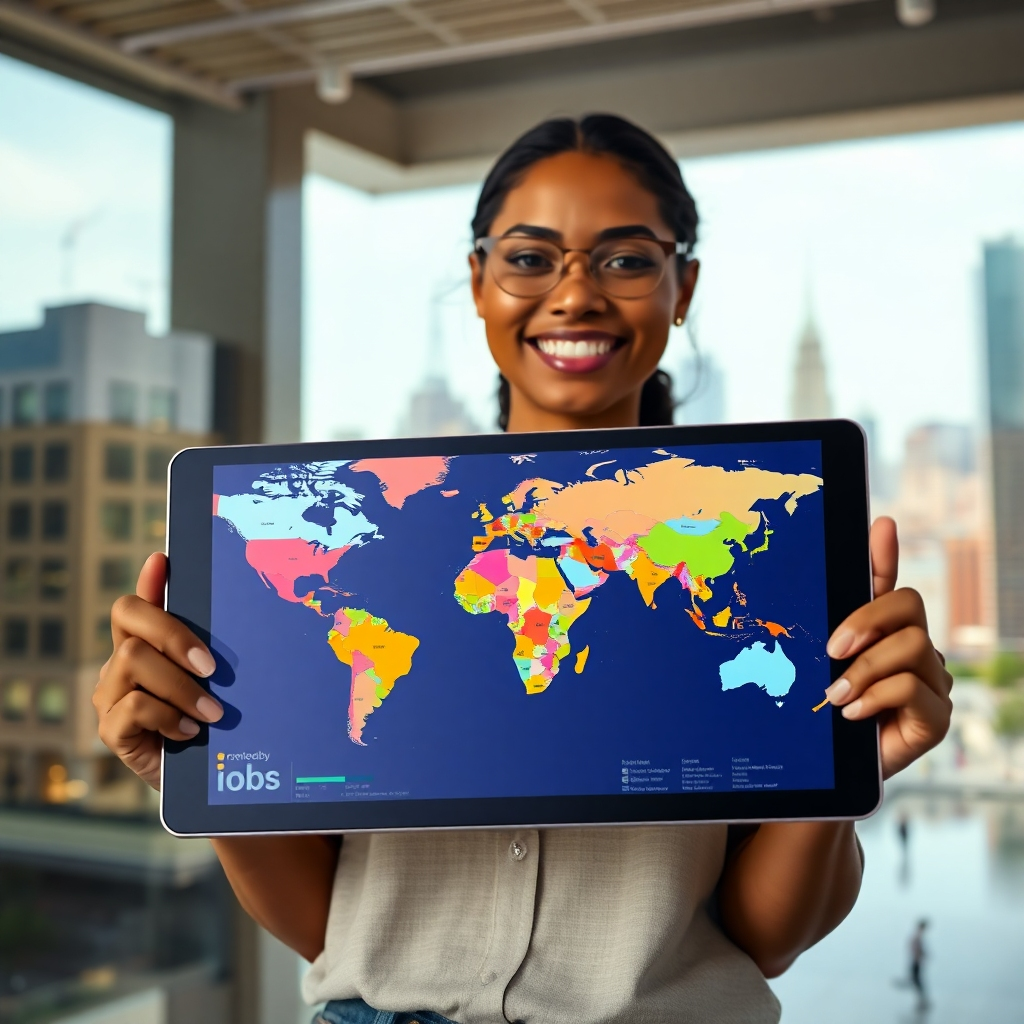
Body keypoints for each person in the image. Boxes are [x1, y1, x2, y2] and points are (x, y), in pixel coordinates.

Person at [93, 114, 954, 1024]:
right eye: (531, 258)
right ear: (478, 281)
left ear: (682, 284)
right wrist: (202, 769)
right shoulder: (359, 537)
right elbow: (322, 925)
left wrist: (849, 761)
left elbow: (765, 937)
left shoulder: (757, 543)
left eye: (624, 259)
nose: (574, 295)